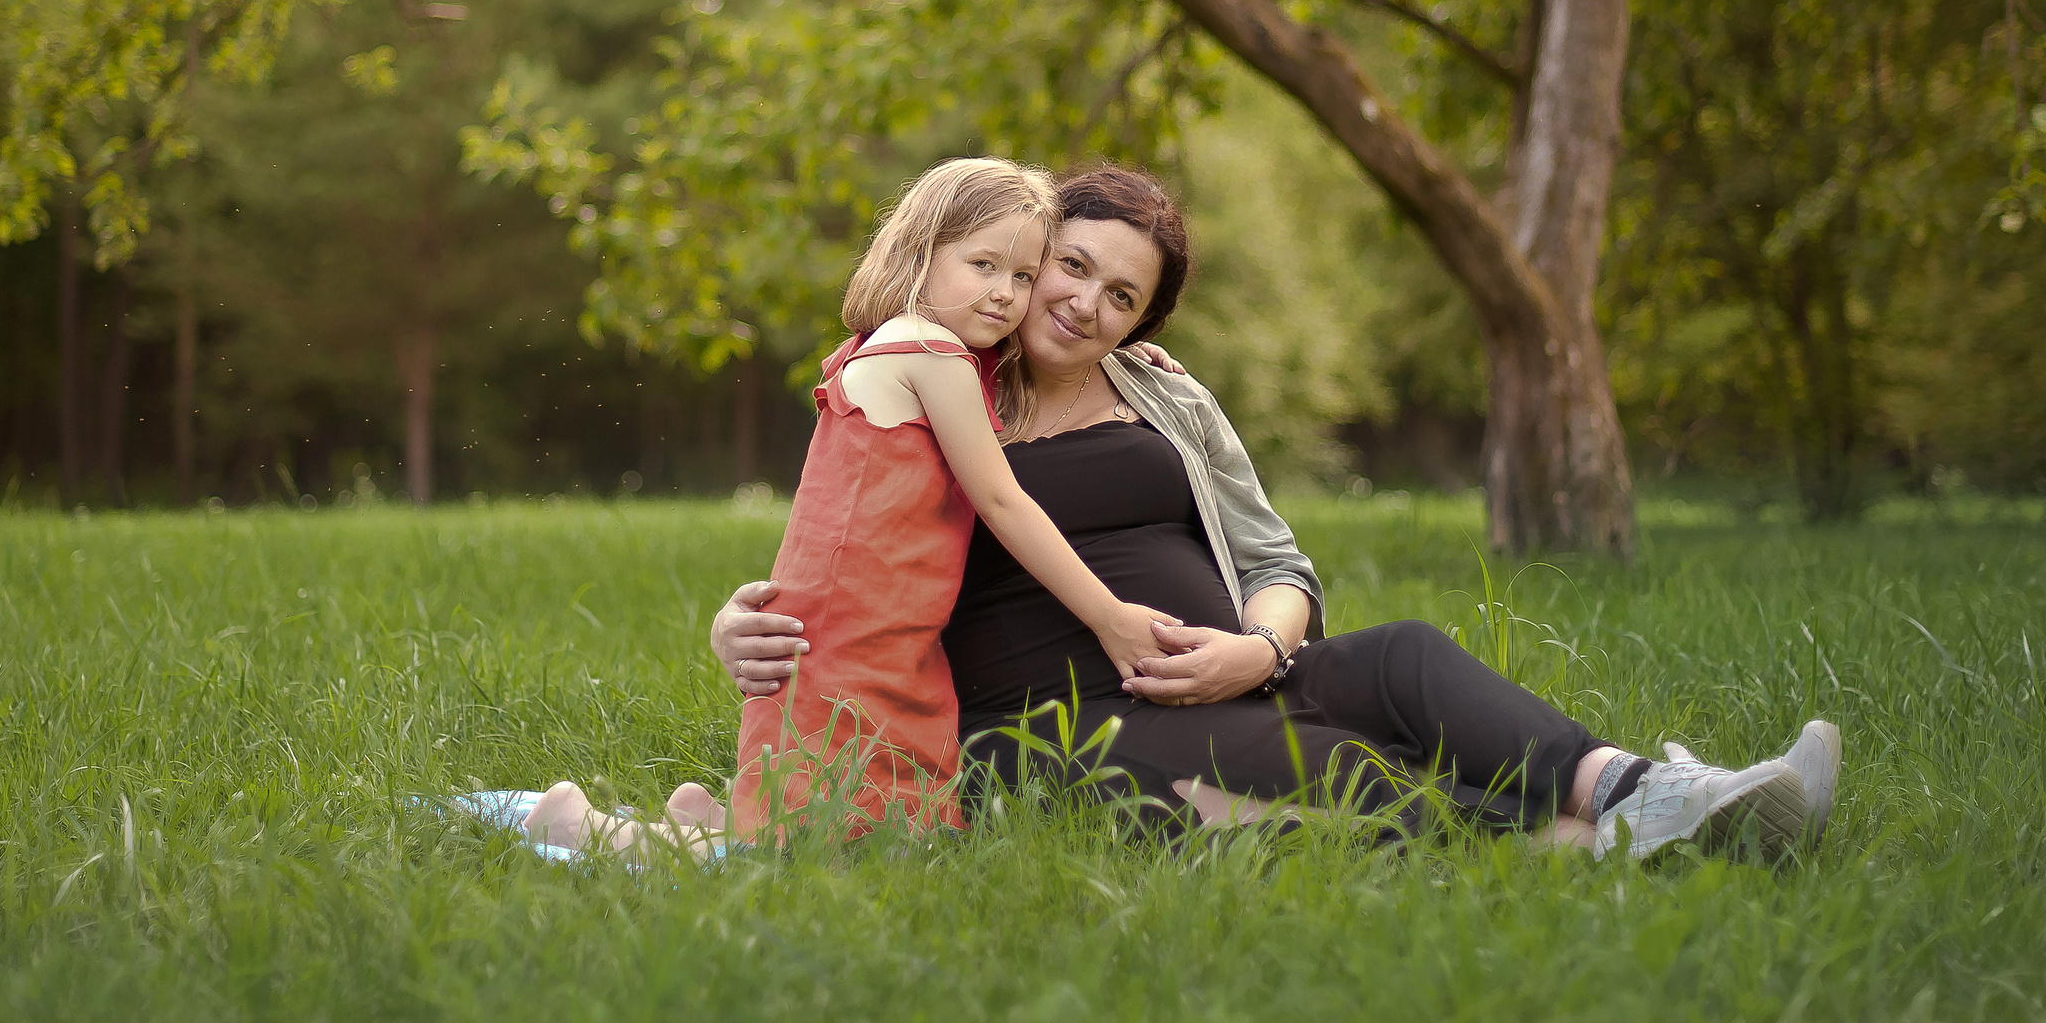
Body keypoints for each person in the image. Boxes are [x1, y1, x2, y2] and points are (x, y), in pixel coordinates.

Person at [710, 166, 1840, 859]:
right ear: (1016, 251)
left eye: (1121, 294)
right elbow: (843, 533)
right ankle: (1596, 845)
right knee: (1314, 757)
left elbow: (1274, 555)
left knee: (1400, 658)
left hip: (1230, 666)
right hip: (1057, 711)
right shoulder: (938, 383)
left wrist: (1256, 643)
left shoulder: (1166, 389)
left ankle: (1649, 794)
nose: (1078, 302)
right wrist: (736, 623)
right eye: (1068, 265)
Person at [524, 158, 1180, 855]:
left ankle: (706, 820)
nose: (1004, 294)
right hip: (854, 640)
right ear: (921, 252)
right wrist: (1111, 617)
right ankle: (580, 825)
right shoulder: (933, 355)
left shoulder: (903, 345)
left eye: (1021, 276)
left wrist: (1128, 360)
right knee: (816, 845)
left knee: (874, 828)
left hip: (875, 628)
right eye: (983, 264)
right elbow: (1000, 498)